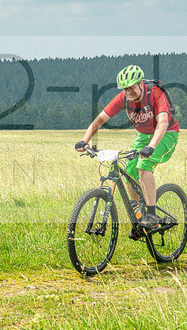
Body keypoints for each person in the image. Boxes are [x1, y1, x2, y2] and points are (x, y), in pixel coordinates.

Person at [75, 64, 179, 229]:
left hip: (166, 134)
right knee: (129, 170)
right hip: (143, 136)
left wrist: (151, 146)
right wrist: (85, 140)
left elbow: (163, 123)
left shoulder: (154, 93)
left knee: (144, 164)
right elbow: (100, 119)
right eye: (124, 89)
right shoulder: (123, 98)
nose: (128, 91)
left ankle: (151, 214)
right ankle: (138, 215)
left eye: (131, 87)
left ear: (140, 84)